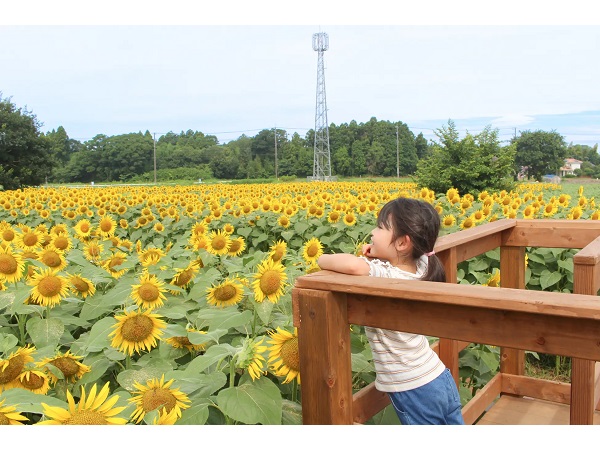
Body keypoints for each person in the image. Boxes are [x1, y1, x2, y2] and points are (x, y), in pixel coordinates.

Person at [317, 197, 464, 425]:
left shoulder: (386, 275)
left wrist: (321, 258)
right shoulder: (423, 266)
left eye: (380, 227)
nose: (373, 232)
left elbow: (353, 265)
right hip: (437, 376)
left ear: (403, 243)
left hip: (413, 387)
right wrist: (380, 253)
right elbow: (413, 254)